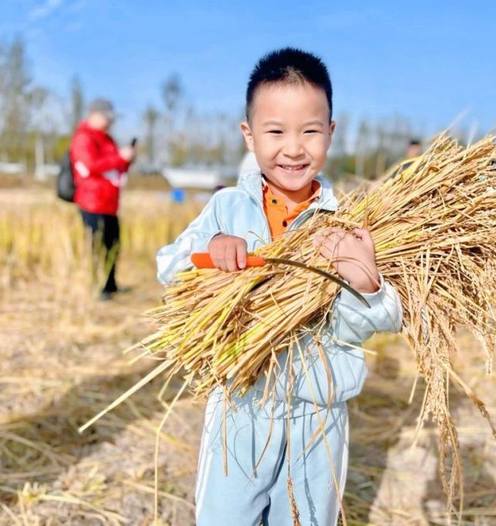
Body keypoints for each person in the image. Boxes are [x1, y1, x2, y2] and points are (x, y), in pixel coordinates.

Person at [156, 48, 403, 525]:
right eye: (275, 131)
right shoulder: (227, 208)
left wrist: (366, 283)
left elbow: (377, 320)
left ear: (331, 133)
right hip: (240, 405)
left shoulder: (349, 222)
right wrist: (210, 251)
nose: (293, 148)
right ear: (248, 135)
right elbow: (169, 267)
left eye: (310, 131)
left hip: (319, 415)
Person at [70, 99, 136, 300]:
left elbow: (116, 168)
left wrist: (127, 160)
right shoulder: (83, 138)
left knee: (113, 245)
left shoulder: (107, 139)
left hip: (110, 203)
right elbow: (92, 165)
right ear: (95, 115)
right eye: (108, 118)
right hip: (92, 203)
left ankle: (110, 285)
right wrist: (120, 158)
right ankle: (99, 287)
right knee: (97, 247)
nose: (111, 123)